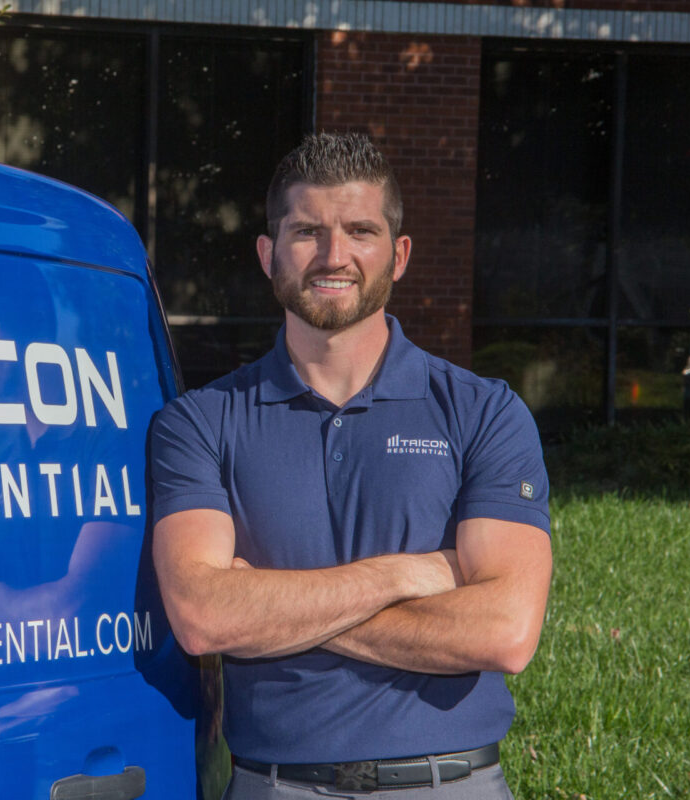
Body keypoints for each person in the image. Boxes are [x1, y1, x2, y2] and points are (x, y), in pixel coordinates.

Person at [149, 132, 552, 799]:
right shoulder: (200, 422)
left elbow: (506, 632)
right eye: (307, 231)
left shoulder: (484, 412)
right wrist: (407, 574)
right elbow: (203, 618)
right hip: (274, 786)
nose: (334, 257)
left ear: (399, 256)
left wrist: (272, 608)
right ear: (267, 253)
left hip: (450, 783)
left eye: (360, 230)